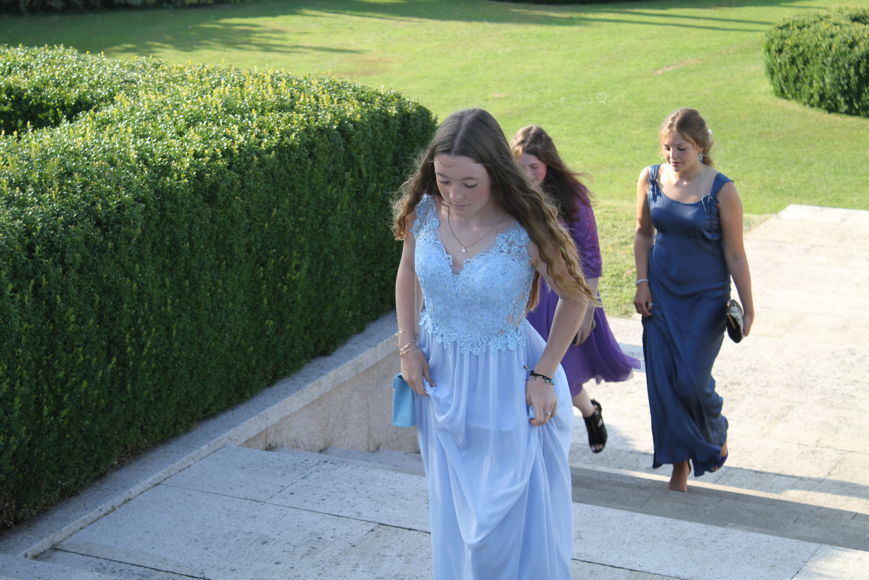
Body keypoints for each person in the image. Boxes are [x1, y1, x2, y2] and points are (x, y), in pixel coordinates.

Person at [393, 108, 595, 578]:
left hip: (506, 385)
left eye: (470, 183)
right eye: (444, 179)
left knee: (497, 525)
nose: (454, 194)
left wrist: (544, 373)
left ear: (496, 172)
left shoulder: (526, 229)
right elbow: (406, 271)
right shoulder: (424, 212)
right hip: (439, 383)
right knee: (455, 516)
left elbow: (575, 299)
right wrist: (408, 347)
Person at [633, 107, 754, 492]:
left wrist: (749, 307)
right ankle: (679, 467)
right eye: (668, 147)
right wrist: (642, 282)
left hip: (705, 300)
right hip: (661, 295)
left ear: (701, 146)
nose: (673, 155)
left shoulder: (722, 190)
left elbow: (735, 254)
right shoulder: (650, 178)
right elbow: (643, 234)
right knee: (665, 383)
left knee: (691, 381)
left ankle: (715, 431)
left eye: (681, 148)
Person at [511, 125, 641, 454]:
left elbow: (591, 257)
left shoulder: (572, 197)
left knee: (558, 370)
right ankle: (575, 418)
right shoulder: (508, 193)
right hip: (525, 300)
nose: (527, 174)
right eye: (520, 166)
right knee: (531, 369)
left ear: (549, 164)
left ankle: (586, 414)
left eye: (534, 167)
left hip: (564, 299)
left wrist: (587, 310)